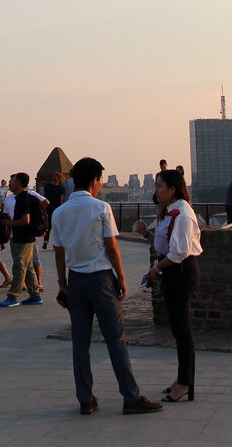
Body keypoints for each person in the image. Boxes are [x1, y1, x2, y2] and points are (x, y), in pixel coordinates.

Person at [50, 156, 163, 416]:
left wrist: (62, 283)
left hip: (75, 279)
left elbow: (58, 251)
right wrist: (121, 277)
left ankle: (85, 398)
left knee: (80, 342)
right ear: (95, 181)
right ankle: (130, 396)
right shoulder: (101, 208)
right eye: (100, 180)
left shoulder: (59, 212)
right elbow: (111, 247)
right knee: (115, 339)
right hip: (100, 279)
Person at [140, 169, 203, 403]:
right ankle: (182, 377)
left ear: (173, 189)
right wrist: (146, 234)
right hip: (173, 272)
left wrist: (156, 269)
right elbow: (165, 245)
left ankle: (186, 382)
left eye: (160, 186)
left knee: (182, 328)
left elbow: (179, 253)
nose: (156, 190)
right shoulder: (171, 212)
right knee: (178, 328)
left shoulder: (182, 214)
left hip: (181, 272)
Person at [0, 173, 44, 307]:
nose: (10, 184)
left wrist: (10, 223)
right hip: (26, 237)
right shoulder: (23, 197)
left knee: (19, 267)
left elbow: (25, 220)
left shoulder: (22, 199)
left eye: (12, 181)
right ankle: (35, 295)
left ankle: (13, 296)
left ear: (19, 183)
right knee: (28, 267)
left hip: (22, 238)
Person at [42, 172, 66, 249]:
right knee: (56, 226)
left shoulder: (48, 186)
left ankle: (46, 241)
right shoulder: (60, 188)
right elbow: (62, 200)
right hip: (56, 208)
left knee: (48, 225)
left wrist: (43, 207)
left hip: (48, 208)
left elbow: (44, 196)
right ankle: (55, 243)